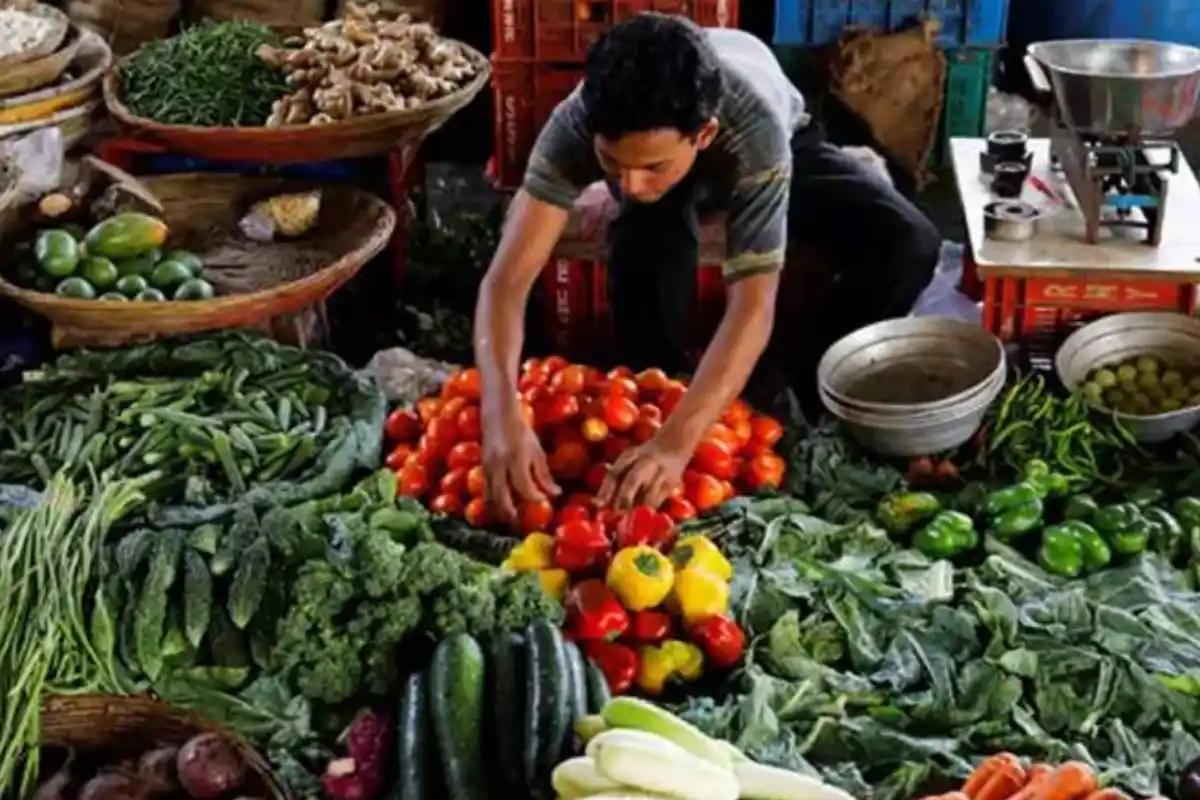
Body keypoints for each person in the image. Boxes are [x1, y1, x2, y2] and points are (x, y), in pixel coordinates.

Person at [473, 13, 941, 520]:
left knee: (909, 242)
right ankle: (649, 393)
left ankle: (802, 385)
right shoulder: (577, 123)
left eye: (650, 166)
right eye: (612, 163)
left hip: (787, 144)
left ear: (703, 134)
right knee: (644, 230)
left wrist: (679, 446)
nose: (627, 184)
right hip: (683, 171)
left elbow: (752, 304)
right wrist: (500, 414)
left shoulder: (754, 133)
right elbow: (505, 282)